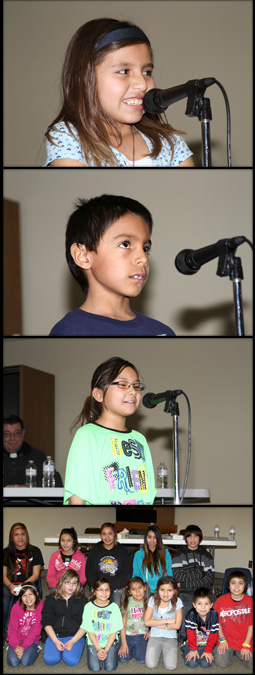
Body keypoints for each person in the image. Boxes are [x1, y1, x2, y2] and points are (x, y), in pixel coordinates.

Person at [44, 18, 194, 168]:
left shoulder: (169, 142)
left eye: (147, 72)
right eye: (124, 71)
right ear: (85, 78)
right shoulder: (68, 138)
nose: (142, 84)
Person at [49, 194, 176, 337]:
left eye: (145, 248)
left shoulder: (162, 332)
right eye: (125, 244)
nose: (143, 258)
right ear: (83, 256)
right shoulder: (69, 331)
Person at [63, 356, 157, 505]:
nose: (133, 391)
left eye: (136, 386)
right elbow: (77, 496)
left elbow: (148, 491)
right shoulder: (87, 435)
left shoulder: (140, 439)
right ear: (99, 394)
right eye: (123, 384)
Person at [172, 524, 214, 644]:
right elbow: (178, 576)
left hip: (202, 591)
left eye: (196, 536)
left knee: (210, 609)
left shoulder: (206, 555)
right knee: (184, 608)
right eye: (189, 536)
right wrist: (199, 572)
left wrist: (185, 582)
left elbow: (209, 578)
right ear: (185, 538)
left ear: (200, 538)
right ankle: (184, 636)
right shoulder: (179, 554)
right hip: (185, 592)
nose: (192, 539)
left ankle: (204, 637)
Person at [3, 523, 44, 637]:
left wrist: (22, 587)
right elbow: (3, 575)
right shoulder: (5, 553)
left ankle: (25, 633)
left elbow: (36, 575)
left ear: (27, 535)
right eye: (16, 535)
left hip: (28, 585)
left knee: (22, 601)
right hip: (10, 585)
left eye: (23, 534)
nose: (20, 537)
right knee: (5, 598)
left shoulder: (35, 551)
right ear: (12, 537)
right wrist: (11, 586)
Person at [41, 569, 87, 666]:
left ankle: (71, 648)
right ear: (62, 583)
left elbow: (86, 624)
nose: (71, 586)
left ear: (78, 585)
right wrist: (55, 641)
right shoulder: (51, 599)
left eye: (74, 583)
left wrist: (73, 641)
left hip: (75, 635)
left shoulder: (83, 601)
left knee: (71, 661)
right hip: (55, 635)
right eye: (67, 583)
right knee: (50, 660)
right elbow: (46, 622)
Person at [3, 415, 63, 487]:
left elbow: (57, 483)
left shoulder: (38, 456)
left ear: (23, 433)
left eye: (16, 433)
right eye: (7, 434)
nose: (12, 438)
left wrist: (28, 488)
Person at [80, 577, 123, 671]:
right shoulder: (88, 607)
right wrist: (99, 649)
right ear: (93, 591)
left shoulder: (114, 607)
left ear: (110, 591)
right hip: (94, 642)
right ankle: (100, 654)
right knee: (94, 668)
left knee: (110, 667)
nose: (104, 593)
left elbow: (114, 632)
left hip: (110, 642)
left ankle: (107, 654)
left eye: (107, 590)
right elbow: (90, 631)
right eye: (100, 590)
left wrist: (106, 650)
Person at [213, 570, 253, 670]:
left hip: (244, 640)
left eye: (240, 583)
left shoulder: (250, 601)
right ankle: (229, 651)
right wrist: (222, 639)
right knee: (221, 663)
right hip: (226, 640)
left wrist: (246, 645)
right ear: (228, 585)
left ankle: (238, 651)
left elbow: (251, 626)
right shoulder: (221, 600)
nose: (236, 587)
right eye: (233, 583)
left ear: (245, 586)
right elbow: (216, 623)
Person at [85, 523, 132, 606]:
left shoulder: (123, 552)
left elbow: (127, 573)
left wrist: (111, 586)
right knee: (95, 607)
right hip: (99, 587)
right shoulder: (94, 552)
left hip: (117, 587)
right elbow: (89, 574)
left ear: (115, 534)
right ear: (101, 535)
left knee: (117, 606)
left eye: (110, 533)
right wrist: (100, 587)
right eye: (104, 534)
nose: (107, 537)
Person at [144, 576, 183, 670]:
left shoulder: (178, 602)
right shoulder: (152, 600)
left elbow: (177, 625)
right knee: (151, 664)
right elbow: (146, 622)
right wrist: (168, 621)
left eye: (169, 590)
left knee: (171, 667)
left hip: (170, 636)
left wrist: (155, 622)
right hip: (155, 635)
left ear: (174, 591)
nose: (166, 593)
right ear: (157, 590)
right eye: (162, 590)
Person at [6, 583, 43, 667]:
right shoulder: (16, 608)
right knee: (13, 662)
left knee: (25, 661)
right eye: (24, 595)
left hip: (31, 640)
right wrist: (16, 646)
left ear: (36, 594)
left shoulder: (40, 607)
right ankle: (12, 647)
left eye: (30, 594)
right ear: (20, 597)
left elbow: (36, 630)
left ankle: (36, 649)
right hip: (16, 639)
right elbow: (12, 629)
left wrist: (24, 647)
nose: (28, 598)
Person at [183, 587, 219, 668]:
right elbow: (190, 634)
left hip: (206, 644)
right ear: (194, 604)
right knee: (192, 664)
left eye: (206, 604)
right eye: (199, 604)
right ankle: (185, 653)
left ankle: (202, 654)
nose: (203, 607)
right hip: (192, 643)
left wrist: (208, 651)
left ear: (211, 605)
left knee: (205, 664)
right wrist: (193, 650)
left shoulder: (214, 615)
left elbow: (213, 635)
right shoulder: (191, 615)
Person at [118, 576, 151, 664]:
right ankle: (132, 648)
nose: (137, 591)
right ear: (129, 592)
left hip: (143, 635)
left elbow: (155, 618)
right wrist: (124, 644)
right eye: (134, 589)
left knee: (142, 660)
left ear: (144, 588)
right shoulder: (127, 602)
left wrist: (151, 631)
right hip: (128, 634)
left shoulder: (150, 602)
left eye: (140, 588)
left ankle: (138, 649)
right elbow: (123, 625)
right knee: (122, 659)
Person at [132, 525, 173, 594]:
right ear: (146, 538)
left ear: (158, 539)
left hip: (162, 591)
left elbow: (169, 574)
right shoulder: (138, 554)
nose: (152, 540)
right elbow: (136, 575)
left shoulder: (166, 554)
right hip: (144, 591)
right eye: (149, 537)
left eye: (155, 537)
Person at [46, 527, 86, 592]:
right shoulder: (55, 556)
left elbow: (83, 578)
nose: (65, 543)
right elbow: (50, 576)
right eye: (63, 540)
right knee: (54, 594)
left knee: (80, 595)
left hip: (75, 587)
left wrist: (73, 586)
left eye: (69, 540)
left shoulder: (81, 557)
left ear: (74, 542)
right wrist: (59, 586)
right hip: (58, 586)